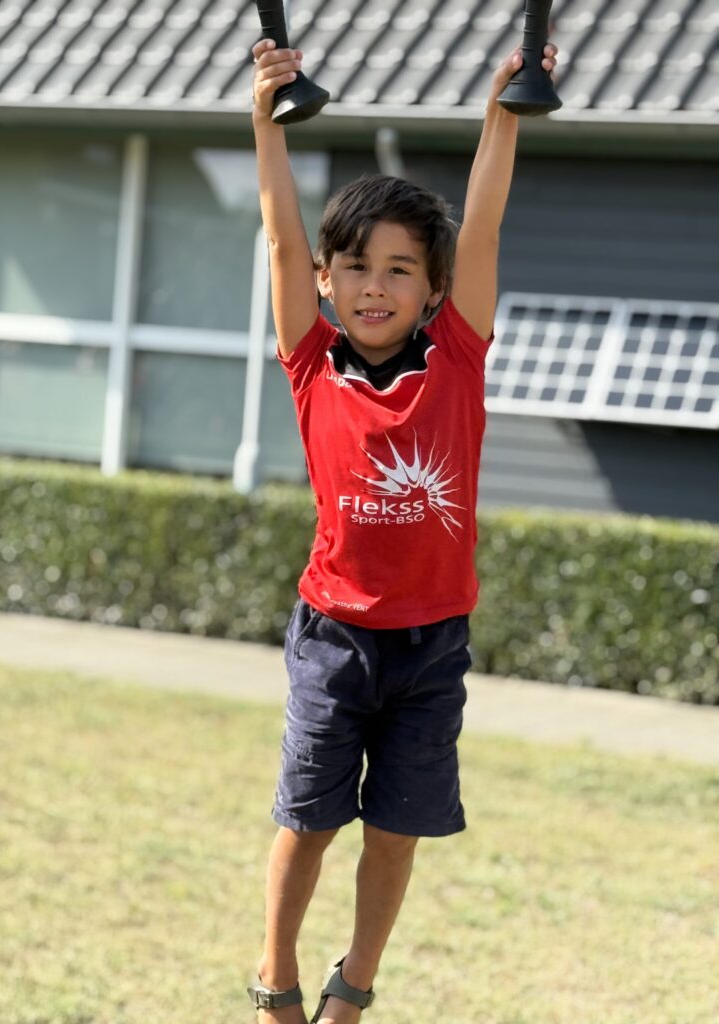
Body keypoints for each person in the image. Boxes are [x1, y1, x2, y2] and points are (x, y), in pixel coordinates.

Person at [247, 36, 559, 1024]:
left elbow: (489, 223)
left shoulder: (458, 355)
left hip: (431, 646)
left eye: (400, 269)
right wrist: (267, 116)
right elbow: (279, 237)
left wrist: (503, 108)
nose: (375, 283)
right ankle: (275, 978)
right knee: (308, 820)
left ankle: (355, 985)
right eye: (356, 267)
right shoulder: (310, 360)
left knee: (396, 829)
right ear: (330, 284)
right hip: (334, 636)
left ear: (431, 290)